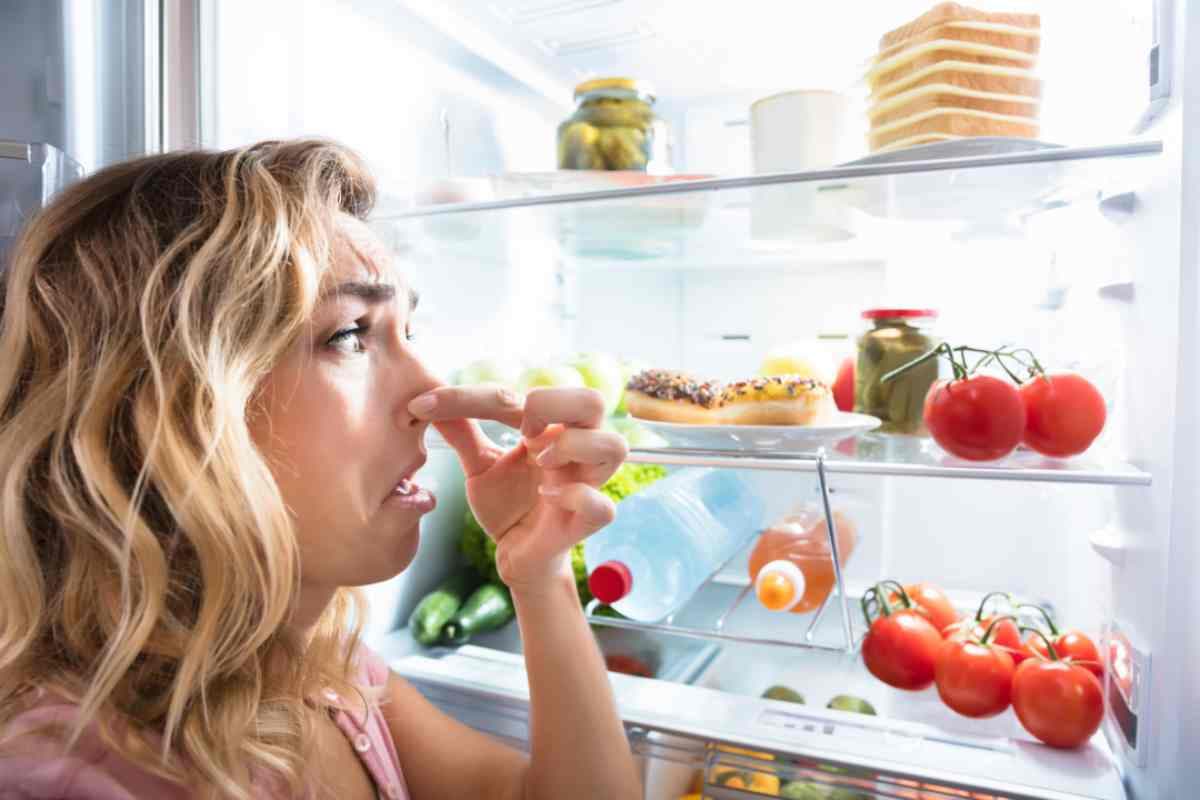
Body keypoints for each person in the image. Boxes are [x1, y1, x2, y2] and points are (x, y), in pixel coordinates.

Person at [0, 140, 641, 800]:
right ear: (172, 408)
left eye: (407, 333)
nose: (430, 392)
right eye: (351, 334)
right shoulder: (74, 776)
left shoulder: (323, 671)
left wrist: (541, 576)